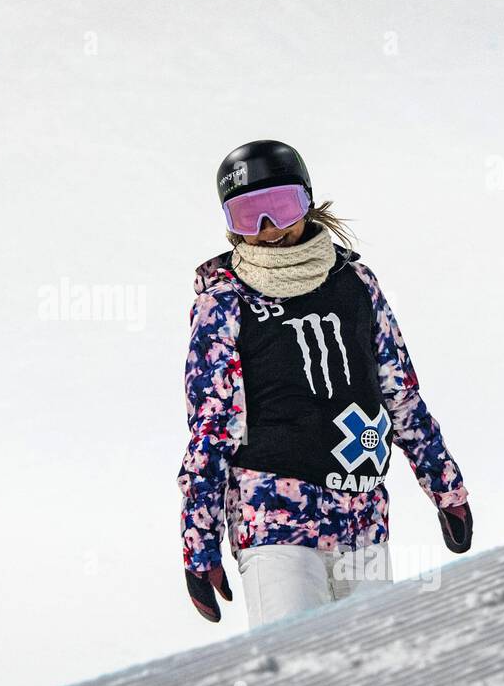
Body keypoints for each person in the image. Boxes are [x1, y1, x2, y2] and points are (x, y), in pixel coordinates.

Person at [178, 139, 472, 627]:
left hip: (363, 519)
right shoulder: (225, 302)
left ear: (308, 202)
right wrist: (199, 542)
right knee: (296, 673)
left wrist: (446, 488)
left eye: (279, 207)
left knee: (372, 678)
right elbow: (213, 429)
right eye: (248, 215)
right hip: (273, 521)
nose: (267, 229)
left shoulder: (355, 283)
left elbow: (400, 394)